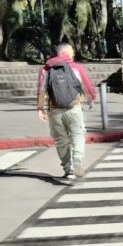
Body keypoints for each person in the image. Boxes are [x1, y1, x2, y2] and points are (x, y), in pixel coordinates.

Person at [36, 42, 96, 182]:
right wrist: (91, 99)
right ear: (65, 52)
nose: (73, 53)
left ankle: (68, 170)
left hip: (54, 110)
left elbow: (41, 90)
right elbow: (85, 85)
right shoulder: (76, 67)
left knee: (61, 140)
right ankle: (78, 158)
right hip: (74, 107)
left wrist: (40, 109)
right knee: (78, 135)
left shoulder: (45, 69)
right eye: (72, 50)